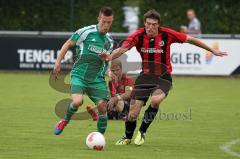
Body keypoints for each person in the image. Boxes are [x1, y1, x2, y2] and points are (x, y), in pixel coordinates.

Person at [103, 9, 227, 146]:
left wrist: (212, 50)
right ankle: (127, 137)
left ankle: (142, 131)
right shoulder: (138, 35)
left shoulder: (167, 34)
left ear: (158, 25)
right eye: (148, 24)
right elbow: (122, 49)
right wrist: (109, 57)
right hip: (145, 76)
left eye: (154, 24)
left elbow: (190, 39)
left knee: (156, 100)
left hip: (163, 76)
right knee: (133, 113)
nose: (150, 27)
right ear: (144, 23)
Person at [52, 6, 114, 135]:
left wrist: (109, 69)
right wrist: (58, 62)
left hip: (97, 79)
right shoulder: (85, 32)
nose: (106, 25)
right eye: (104, 22)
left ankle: (99, 138)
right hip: (79, 75)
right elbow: (68, 43)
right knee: (77, 101)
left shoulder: (109, 40)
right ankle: (64, 120)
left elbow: (109, 58)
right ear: (99, 19)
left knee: (103, 109)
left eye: (109, 22)